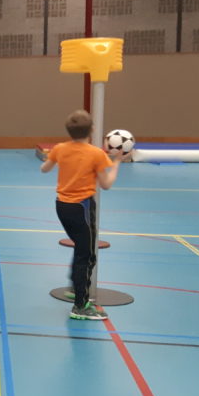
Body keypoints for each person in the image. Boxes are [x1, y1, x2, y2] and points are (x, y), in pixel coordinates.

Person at [40, 110, 122, 321]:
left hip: (61, 205)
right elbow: (106, 184)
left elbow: (44, 169)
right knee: (87, 255)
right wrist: (117, 163)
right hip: (82, 207)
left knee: (80, 248)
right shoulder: (96, 154)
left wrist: (55, 160)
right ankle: (80, 306)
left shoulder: (60, 148)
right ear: (92, 130)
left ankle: (75, 287)